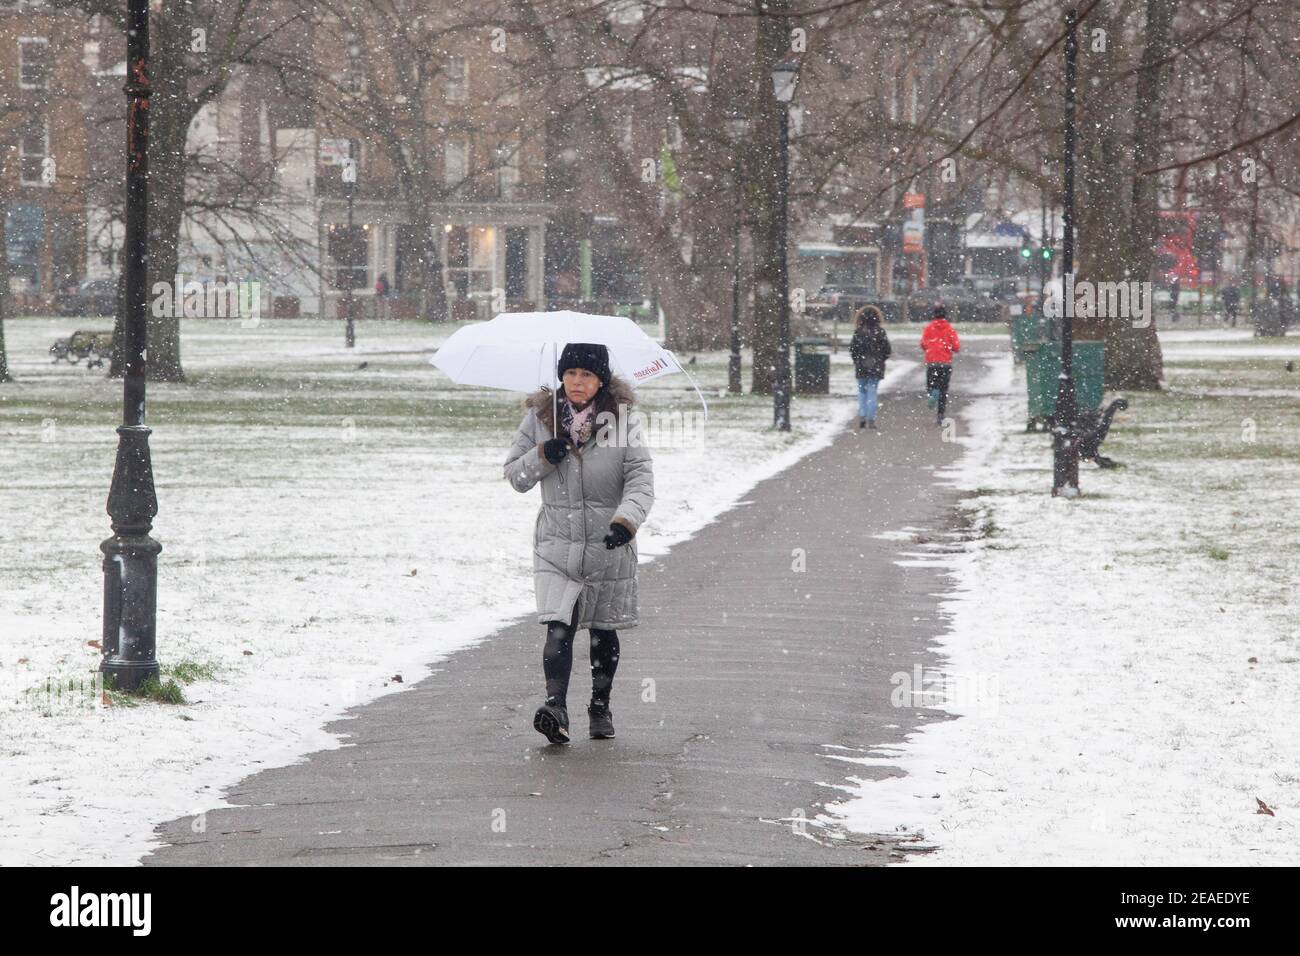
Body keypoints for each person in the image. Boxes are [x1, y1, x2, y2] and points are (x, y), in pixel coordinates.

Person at [503, 343, 654, 745]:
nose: (576, 382)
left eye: (586, 375)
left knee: (603, 630)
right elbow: (515, 476)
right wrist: (542, 456)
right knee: (559, 625)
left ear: (601, 380)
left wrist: (626, 521)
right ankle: (556, 707)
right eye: (570, 374)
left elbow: (641, 481)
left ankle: (600, 706)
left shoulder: (624, 422)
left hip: (609, 545)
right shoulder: (539, 418)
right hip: (557, 544)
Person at [848, 305, 891, 429]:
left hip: (861, 365)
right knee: (872, 391)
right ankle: (871, 419)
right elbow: (887, 350)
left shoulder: (858, 332)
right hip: (876, 366)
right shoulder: (880, 332)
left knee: (862, 391)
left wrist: (857, 360)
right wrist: (881, 359)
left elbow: (853, 350)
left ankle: (862, 415)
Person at [920, 305, 961, 425]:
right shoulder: (949, 329)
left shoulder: (928, 329)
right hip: (945, 363)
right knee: (944, 390)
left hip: (932, 362)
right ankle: (940, 415)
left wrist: (931, 348)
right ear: (945, 315)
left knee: (931, 385)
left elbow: (923, 344)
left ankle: (933, 392)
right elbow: (956, 347)